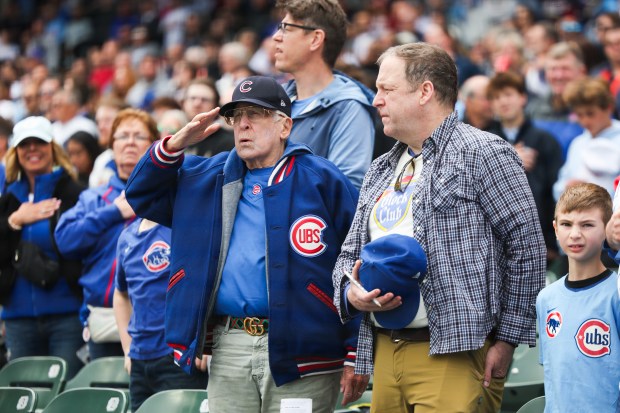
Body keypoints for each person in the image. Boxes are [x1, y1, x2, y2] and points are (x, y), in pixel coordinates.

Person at [125, 76, 365, 412]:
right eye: (236, 116)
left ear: (285, 126)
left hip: (303, 344)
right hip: (230, 341)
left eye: (256, 114)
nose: (244, 125)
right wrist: (176, 144)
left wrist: (356, 350)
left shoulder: (322, 178)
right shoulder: (206, 176)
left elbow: (357, 262)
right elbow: (139, 195)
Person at [333, 43, 546, 412]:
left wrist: (507, 339)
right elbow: (348, 255)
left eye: (387, 89)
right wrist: (350, 295)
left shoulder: (483, 151)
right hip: (384, 350)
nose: (376, 100)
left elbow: (527, 248)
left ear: (425, 92)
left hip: (456, 354)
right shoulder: (381, 168)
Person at [55, 109, 159, 360]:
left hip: (154, 322)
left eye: (139, 136)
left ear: (155, 144)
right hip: (103, 319)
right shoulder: (94, 197)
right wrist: (113, 212)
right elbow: (65, 240)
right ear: (111, 145)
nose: (130, 142)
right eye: (122, 136)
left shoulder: (166, 194)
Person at [0, 116, 85, 378]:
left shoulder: (73, 192)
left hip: (67, 316)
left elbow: (81, 248)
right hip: (17, 319)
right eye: (25, 144)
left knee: (67, 396)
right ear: (16, 152)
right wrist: (15, 221)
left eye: (40, 142)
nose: (32, 149)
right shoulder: (8, 198)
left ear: (53, 148)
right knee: (24, 395)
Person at [272, 0, 376, 189]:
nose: (276, 37)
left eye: (286, 28)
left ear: (315, 39)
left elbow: (344, 191)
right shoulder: (275, 101)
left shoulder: (348, 108)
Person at [537, 183, 620, 412]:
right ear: (555, 228)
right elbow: (555, 374)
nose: (575, 234)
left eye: (587, 225)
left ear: (607, 229)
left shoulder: (616, 292)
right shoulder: (546, 298)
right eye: (566, 224)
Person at [113, 218, 208, 412]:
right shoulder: (126, 237)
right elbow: (120, 294)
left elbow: (204, 283)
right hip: (139, 360)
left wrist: (204, 342)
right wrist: (127, 349)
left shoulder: (180, 226)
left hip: (178, 356)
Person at [486, 72, 563, 264]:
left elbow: (555, 191)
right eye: (496, 97)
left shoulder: (545, 140)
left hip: (540, 240)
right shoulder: (483, 141)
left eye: (508, 94)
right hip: (495, 243)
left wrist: (552, 241)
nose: (503, 101)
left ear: (523, 98)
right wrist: (510, 159)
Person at [553, 77, 620, 200]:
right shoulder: (578, 144)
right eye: (579, 115)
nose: (585, 121)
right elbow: (559, 186)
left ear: (609, 108)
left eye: (590, 113)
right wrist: (567, 187)